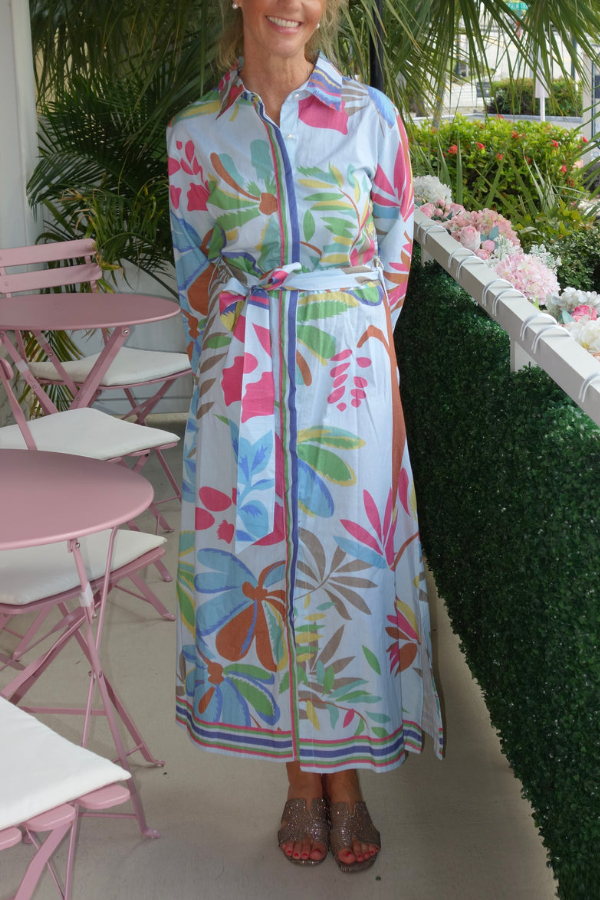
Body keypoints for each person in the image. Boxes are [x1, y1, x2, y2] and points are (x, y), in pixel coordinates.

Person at [167, 0, 443, 873]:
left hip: (346, 377)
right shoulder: (195, 133)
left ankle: (346, 781)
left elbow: (396, 245)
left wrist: (355, 340)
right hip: (242, 382)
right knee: (265, 568)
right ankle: (299, 777)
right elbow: (192, 268)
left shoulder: (371, 117)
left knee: (344, 567)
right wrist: (243, 341)